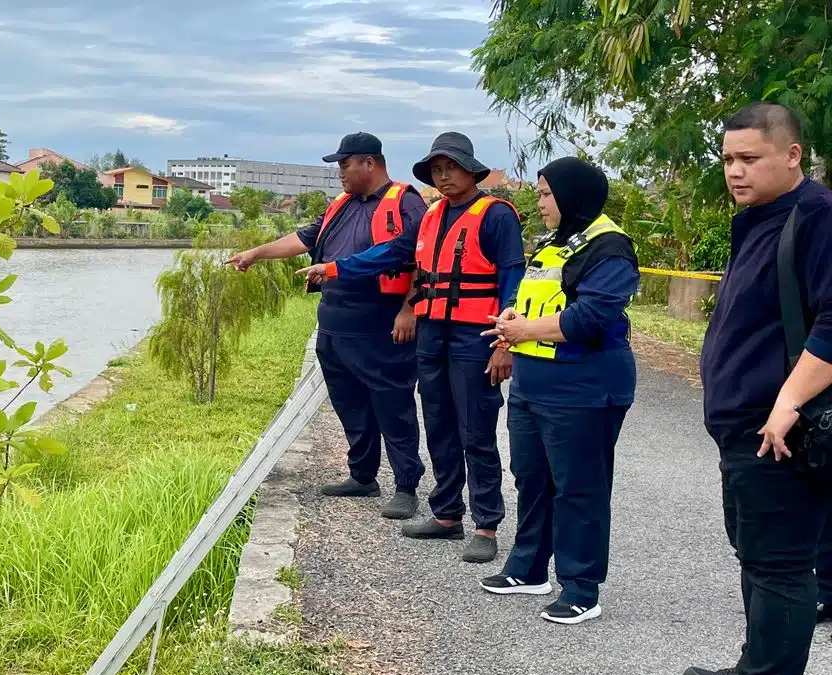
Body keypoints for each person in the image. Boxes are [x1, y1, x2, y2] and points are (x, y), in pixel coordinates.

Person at [296, 132, 525, 563]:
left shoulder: (496, 216)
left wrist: (504, 342)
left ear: (469, 170)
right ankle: (447, 514)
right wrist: (334, 267)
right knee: (438, 423)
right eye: (437, 170)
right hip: (432, 330)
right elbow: (392, 254)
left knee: (475, 432)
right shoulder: (432, 215)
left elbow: (513, 277)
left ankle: (487, 524)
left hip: (475, 335)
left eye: (451, 168)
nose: (443, 177)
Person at [676, 102, 832, 675]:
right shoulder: (762, 217)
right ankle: (753, 671)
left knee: (782, 566)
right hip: (744, 426)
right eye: (727, 160)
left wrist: (788, 402)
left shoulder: (817, 217)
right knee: (757, 556)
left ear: (792, 155)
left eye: (750, 158)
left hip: (784, 431)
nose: (734, 172)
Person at [227, 132, 427, 519]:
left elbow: (418, 257)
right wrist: (257, 253)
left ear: (369, 163)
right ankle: (363, 476)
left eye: (343, 164)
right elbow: (303, 239)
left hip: (382, 323)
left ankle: (406, 485)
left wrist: (409, 309)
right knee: (350, 403)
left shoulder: (405, 203)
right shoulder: (341, 205)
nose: (339, 173)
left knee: (392, 403)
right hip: (335, 323)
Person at [476, 156, 639, 626]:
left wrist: (524, 330)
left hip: (584, 387)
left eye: (547, 194)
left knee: (579, 488)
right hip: (533, 383)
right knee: (531, 477)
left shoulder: (609, 248)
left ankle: (581, 587)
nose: (541, 202)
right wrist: (511, 319)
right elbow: (534, 301)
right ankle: (528, 568)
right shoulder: (553, 243)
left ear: (572, 196)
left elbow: (591, 316)